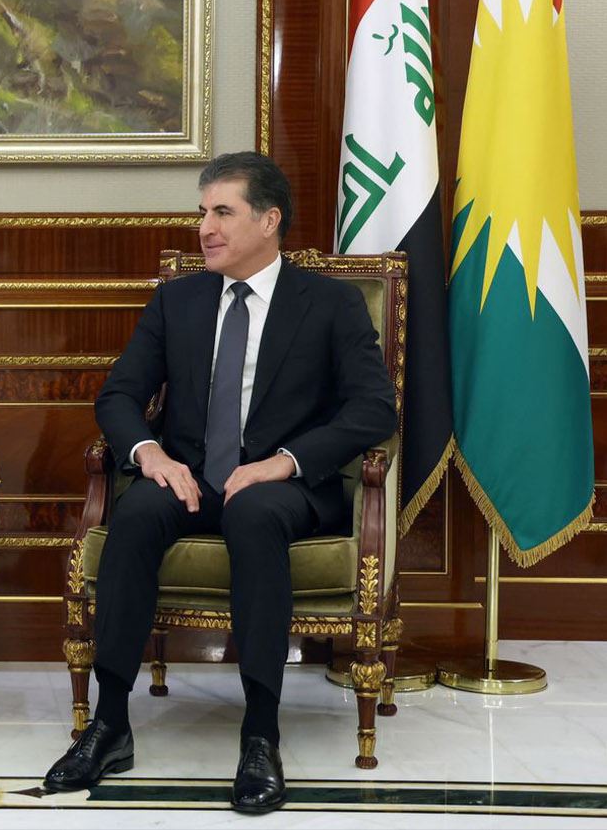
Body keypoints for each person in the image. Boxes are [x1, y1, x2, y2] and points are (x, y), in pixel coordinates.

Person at [43, 152, 397, 814]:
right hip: (189, 476)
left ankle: (260, 734)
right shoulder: (177, 300)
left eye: (222, 212)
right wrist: (150, 452)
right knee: (136, 514)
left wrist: (285, 460)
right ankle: (109, 724)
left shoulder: (330, 303)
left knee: (255, 514)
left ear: (268, 220)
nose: (204, 227)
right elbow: (119, 395)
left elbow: (375, 408)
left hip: (282, 486)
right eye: (202, 212)